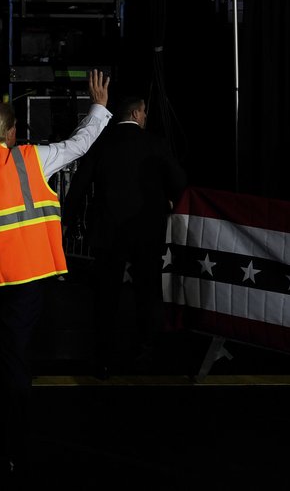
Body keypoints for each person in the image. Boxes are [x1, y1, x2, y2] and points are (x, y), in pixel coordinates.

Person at [0, 70, 111, 475]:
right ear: (10, 133)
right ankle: (13, 444)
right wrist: (98, 107)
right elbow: (79, 145)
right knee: (13, 357)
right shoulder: (32, 158)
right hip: (25, 280)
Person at [69, 95, 185, 377]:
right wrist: (169, 201)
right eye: (144, 112)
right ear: (135, 113)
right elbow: (179, 182)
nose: (146, 117)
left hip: (108, 231)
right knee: (147, 290)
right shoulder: (155, 144)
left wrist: (68, 221)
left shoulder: (101, 144)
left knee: (106, 294)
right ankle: (145, 352)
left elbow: (79, 185)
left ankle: (104, 357)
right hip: (146, 230)